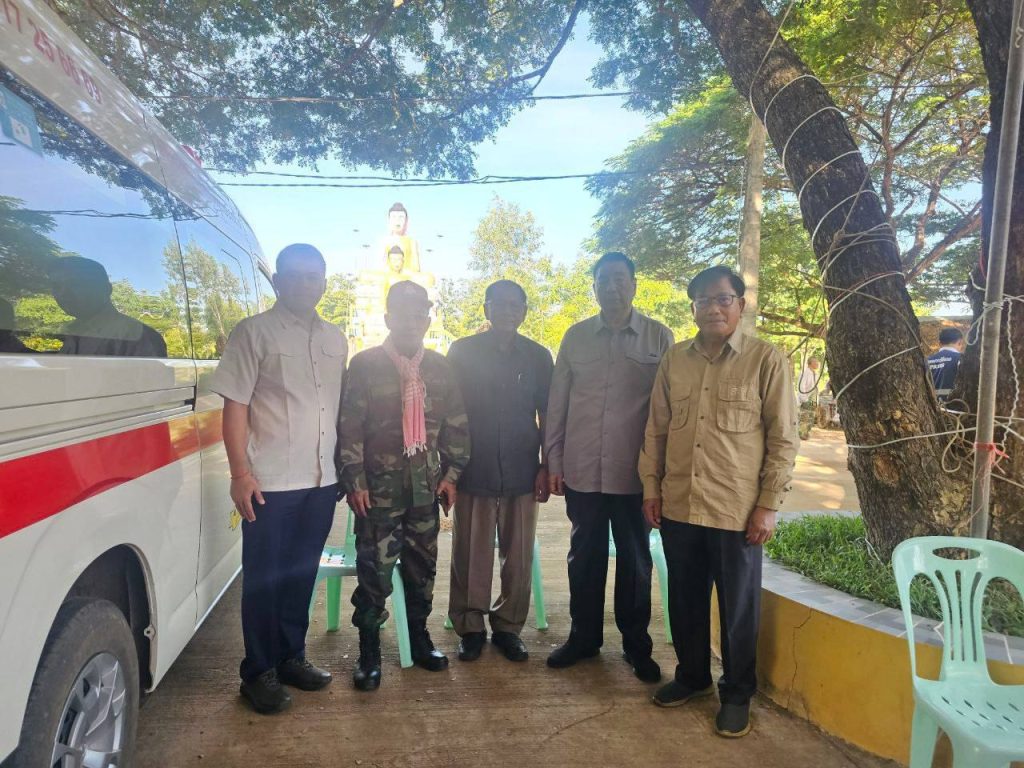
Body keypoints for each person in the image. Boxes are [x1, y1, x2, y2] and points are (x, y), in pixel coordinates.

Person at [638, 265, 799, 738]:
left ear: (740, 305)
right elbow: (656, 430)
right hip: (681, 502)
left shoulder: (766, 360)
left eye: (723, 299)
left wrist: (768, 504)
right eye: (703, 300)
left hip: (737, 510)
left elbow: (783, 438)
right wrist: (652, 488)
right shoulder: (675, 360)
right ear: (693, 308)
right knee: (685, 599)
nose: (713, 308)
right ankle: (692, 677)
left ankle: (736, 693)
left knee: (738, 609)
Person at [211, 243, 347, 714]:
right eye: (295, 275)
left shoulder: (336, 338)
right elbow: (235, 406)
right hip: (269, 481)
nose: (306, 284)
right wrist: (239, 472)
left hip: (322, 480)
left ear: (324, 282)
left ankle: (291, 657)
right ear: (277, 281)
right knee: (265, 580)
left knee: (301, 574)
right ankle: (258, 672)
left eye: (314, 276)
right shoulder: (253, 333)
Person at [545, 251, 673, 683]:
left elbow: (668, 411)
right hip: (582, 470)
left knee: (636, 560)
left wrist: (661, 475)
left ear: (634, 284)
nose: (612, 287)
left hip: (636, 475)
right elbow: (557, 405)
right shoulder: (575, 337)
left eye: (620, 279)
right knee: (584, 556)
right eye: (604, 280)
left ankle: (636, 646)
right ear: (594, 287)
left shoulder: (659, 337)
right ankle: (583, 638)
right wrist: (554, 460)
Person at [339, 280, 470, 691]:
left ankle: (419, 638)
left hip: (425, 491)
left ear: (427, 320)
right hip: (378, 493)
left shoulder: (440, 368)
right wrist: (355, 479)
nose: (411, 322)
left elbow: (456, 426)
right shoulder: (365, 365)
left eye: (418, 315)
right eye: (402, 314)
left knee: (422, 569)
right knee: (374, 572)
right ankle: (369, 650)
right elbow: (349, 427)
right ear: (388, 318)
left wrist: (451, 476)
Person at [446, 280, 554, 663]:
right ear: (486, 309)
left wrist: (547, 465)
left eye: (515, 305)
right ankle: (471, 627)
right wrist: (450, 470)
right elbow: (449, 412)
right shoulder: (462, 352)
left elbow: (548, 414)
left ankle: (508, 627)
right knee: (469, 554)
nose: (507, 310)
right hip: (473, 468)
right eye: (499, 304)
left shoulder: (538, 356)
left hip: (523, 469)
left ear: (524, 311)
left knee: (519, 555)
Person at [49, 256, 166, 357]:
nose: (63, 293)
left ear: (106, 289)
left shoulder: (138, 337)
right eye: (56, 286)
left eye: (75, 284)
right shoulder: (75, 331)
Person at [927, 327, 964, 401]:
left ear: (939, 343)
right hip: (954, 404)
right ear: (960, 342)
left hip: (931, 404)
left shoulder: (927, 360)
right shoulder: (961, 359)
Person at [796, 356, 821, 440]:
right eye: (815, 362)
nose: (817, 364)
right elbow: (801, 386)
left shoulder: (815, 373)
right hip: (807, 397)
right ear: (810, 363)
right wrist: (804, 399)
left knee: (811, 415)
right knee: (805, 415)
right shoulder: (805, 372)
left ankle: (806, 432)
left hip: (813, 398)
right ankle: (801, 433)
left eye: (817, 362)